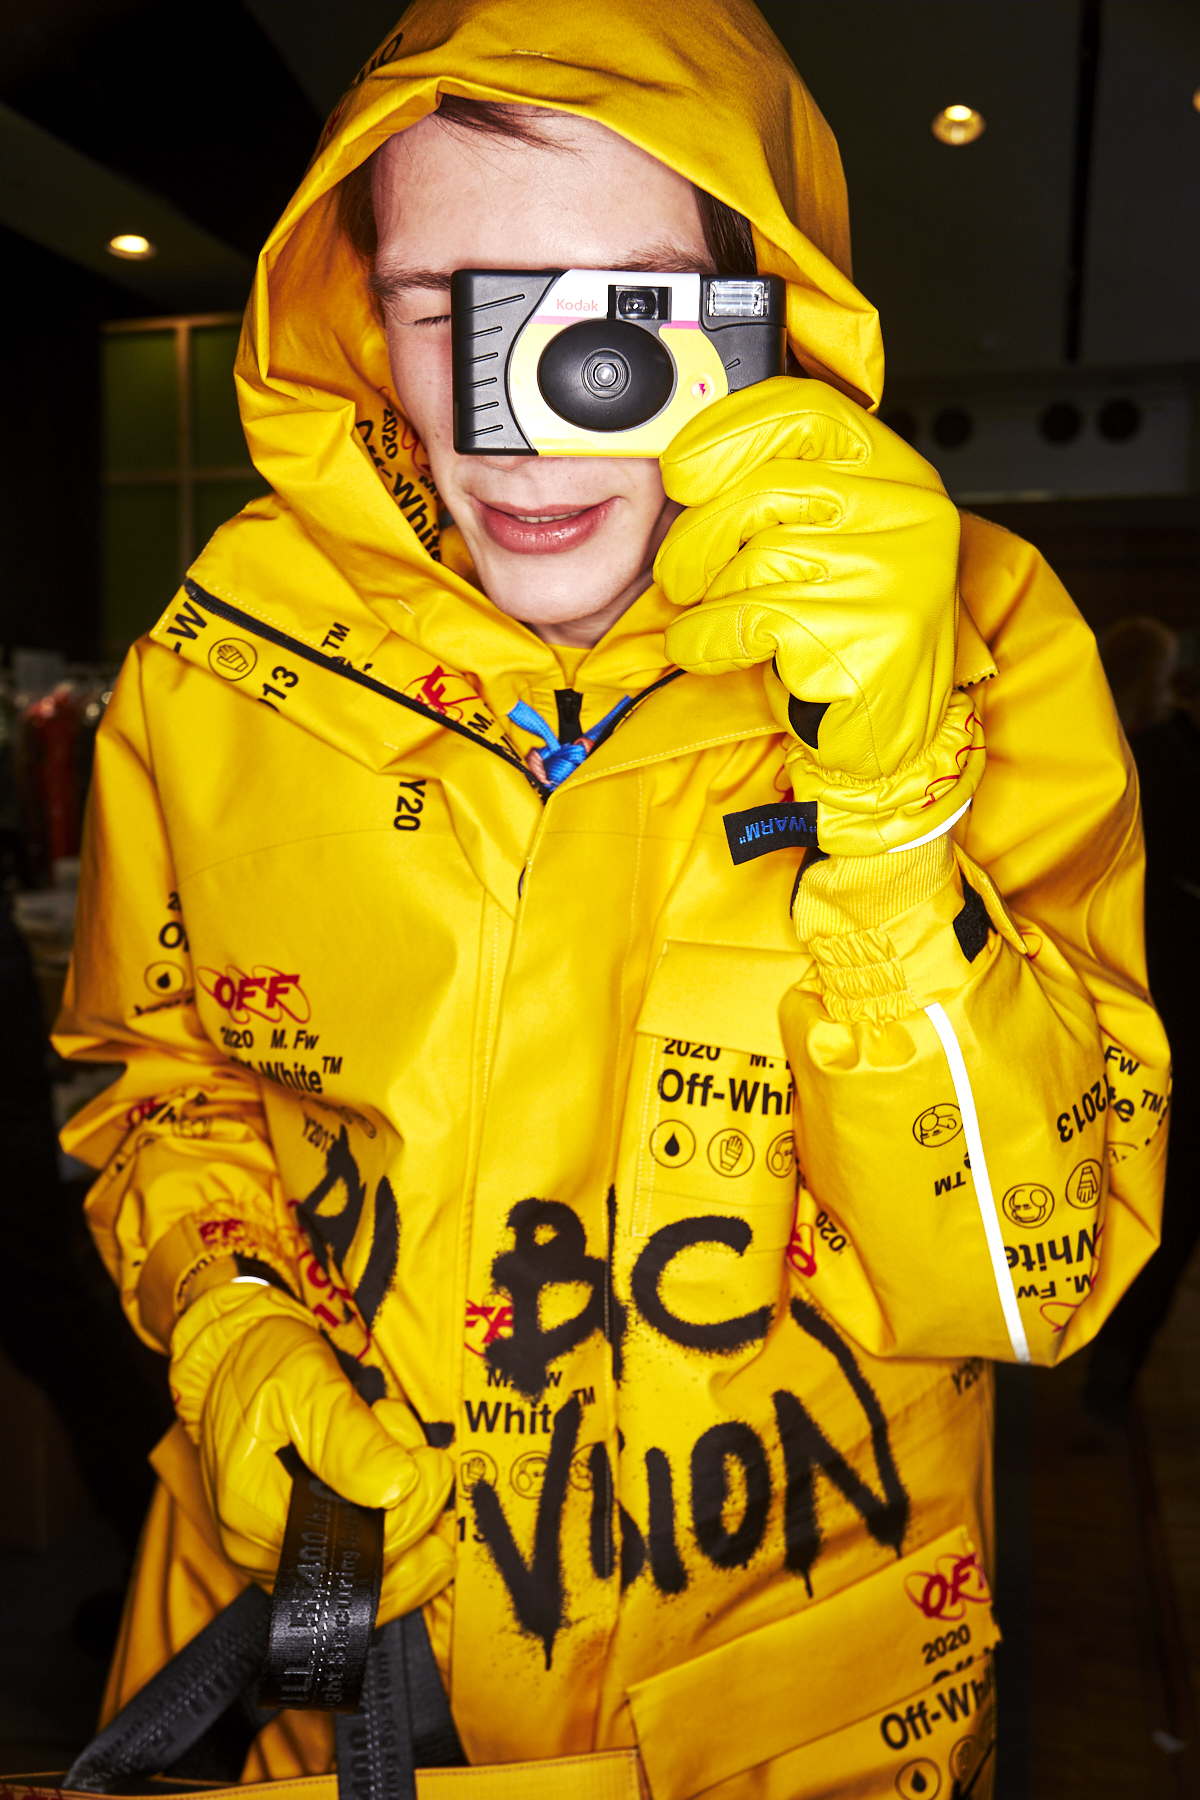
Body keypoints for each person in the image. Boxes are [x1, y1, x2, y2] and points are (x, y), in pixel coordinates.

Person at [55, 2, 1168, 1793]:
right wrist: (228, 1310)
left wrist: (886, 816)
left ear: (760, 305)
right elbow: (160, 1081)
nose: (538, 410)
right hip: (320, 1666)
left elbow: (1032, 1290)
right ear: (356, 305)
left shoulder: (977, 636)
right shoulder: (222, 656)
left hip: (785, 1728)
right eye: (450, 306)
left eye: (624, 312)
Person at [1084, 618, 1198, 1422]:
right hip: (1145, 986)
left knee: (1170, 1190)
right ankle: (1107, 1357)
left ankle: (1114, 1365)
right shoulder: (1121, 752)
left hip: (1165, 986)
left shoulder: (1166, 747)